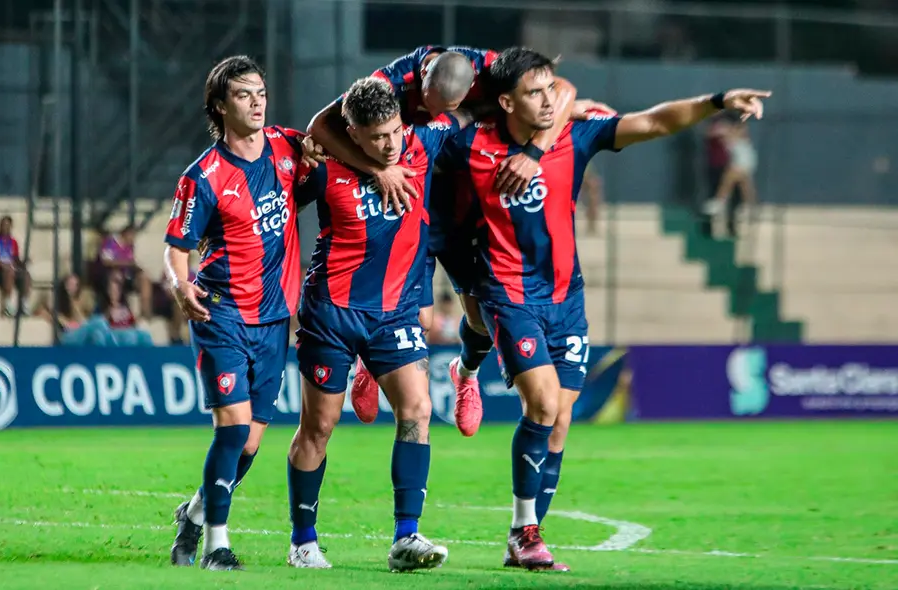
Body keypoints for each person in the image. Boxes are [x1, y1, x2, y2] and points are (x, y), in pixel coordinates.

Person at [442, 46, 770, 571]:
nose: (548, 100)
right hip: (508, 293)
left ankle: (522, 536)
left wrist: (717, 101)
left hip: (566, 297)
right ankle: (526, 531)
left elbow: (656, 122)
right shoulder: (466, 148)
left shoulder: (577, 134)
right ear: (505, 101)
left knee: (560, 421)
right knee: (544, 406)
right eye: (533, 92)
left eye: (551, 89)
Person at [309, 45, 600, 435]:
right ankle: (369, 363)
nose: (433, 116)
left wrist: (537, 146)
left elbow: (561, 89)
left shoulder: (491, 67)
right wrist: (379, 171)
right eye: (429, 106)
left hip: (468, 200)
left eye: (448, 108)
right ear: (421, 81)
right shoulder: (391, 79)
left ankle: (466, 373)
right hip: (412, 196)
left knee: (480, 318)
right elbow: (320, 125)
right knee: (421, 320)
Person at [286, 76, 470, 572]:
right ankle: (303, 540)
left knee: (417, 409)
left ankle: (406, 537)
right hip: (332, 313)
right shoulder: (326, 169)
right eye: (376, 138)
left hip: (393, 313)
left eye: (393, 132)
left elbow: (473, 108)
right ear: (353, 134)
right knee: (319, 427)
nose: (389, 145)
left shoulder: (423, 140)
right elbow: (275, 203)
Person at [163, 55, 315, 572]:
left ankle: (195, 512)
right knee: (231, 430)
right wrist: (181, 285)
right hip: (222, 314)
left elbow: (326, 140)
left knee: (249, 442)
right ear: (220, 105)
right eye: (244, 94)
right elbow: (177, 246)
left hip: (274, 321)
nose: (256, 102)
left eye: (261, 92)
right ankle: (216, 546)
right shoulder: (202, 176)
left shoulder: (287, 147)